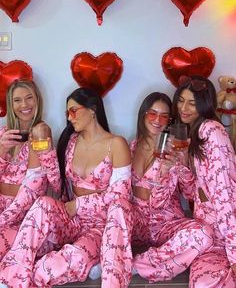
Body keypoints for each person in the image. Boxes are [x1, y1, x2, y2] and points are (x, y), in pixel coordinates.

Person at [0, 87, 132, 288]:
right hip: (70, 221)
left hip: (99, 225)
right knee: (43, 203)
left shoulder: (117, 144)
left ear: (92, 109)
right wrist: (45, 151)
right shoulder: (70, 142)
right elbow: (58, 185)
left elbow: (119, 195)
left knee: (52, 267)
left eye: (73, 111)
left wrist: (77, 205)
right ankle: (10, 280)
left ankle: (90, 259)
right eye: (66, 113)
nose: (69, 118)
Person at [129, 92, 213, 283]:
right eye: (152, 113)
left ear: (170, 120)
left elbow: (191, 193)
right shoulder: (130, 146)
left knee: (204, 233)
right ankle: (111, 262)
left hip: (167, 223)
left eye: (164, 115)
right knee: (114, 213)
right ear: (143, 115)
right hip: (138, 223)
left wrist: (181, 166)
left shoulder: (177, 148)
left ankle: (135, 265)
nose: (157, 120)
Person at [171, 75, 236, 287]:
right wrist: (181, 166)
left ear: (205, 104)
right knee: (200, 283)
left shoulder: (212, 131)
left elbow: (225, 193)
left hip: (227, 232)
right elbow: (193, 194)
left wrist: (234, 252)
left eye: (192, 102)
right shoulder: (195, 134)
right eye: (181, 100)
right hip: (209, 232)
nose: (183, 107)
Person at [0, 79, 60, 260]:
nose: (24, 105)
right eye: (17, 100)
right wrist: (1, 150)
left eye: (29, 98)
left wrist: (2, 220)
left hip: (25, 218)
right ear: (10, 104)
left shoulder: (41, 132)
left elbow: (36, 188)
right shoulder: (4, 133)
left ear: (37, 101)